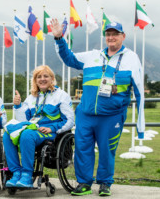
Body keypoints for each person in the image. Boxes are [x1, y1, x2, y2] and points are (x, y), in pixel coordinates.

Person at [51, 19, 145, 196]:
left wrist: (140, 127)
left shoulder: (132, 58)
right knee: (82, 149)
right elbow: (69, 58)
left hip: (112, 116)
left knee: (107, 150)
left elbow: (139, 92)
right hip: (86, 115)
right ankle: (84, 183)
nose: (111, 37)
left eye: (115, 34)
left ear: (123, 36)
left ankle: (105, 183)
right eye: (108, 34)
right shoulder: (92, 56)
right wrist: (58, 39)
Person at [3, 65, 74, 188]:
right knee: (7, 134)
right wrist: (18, 106)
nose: (42, 79)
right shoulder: (31, 98)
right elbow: (23, 121)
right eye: (38, 77)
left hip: (50, 132)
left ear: (52, 79)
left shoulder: (61, 95)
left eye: (45, 76)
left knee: (26, 135)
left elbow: (70, 120)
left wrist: (53, 128)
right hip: (32, 130)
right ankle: (16, 173)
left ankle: (26, 175)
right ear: (35, 80)